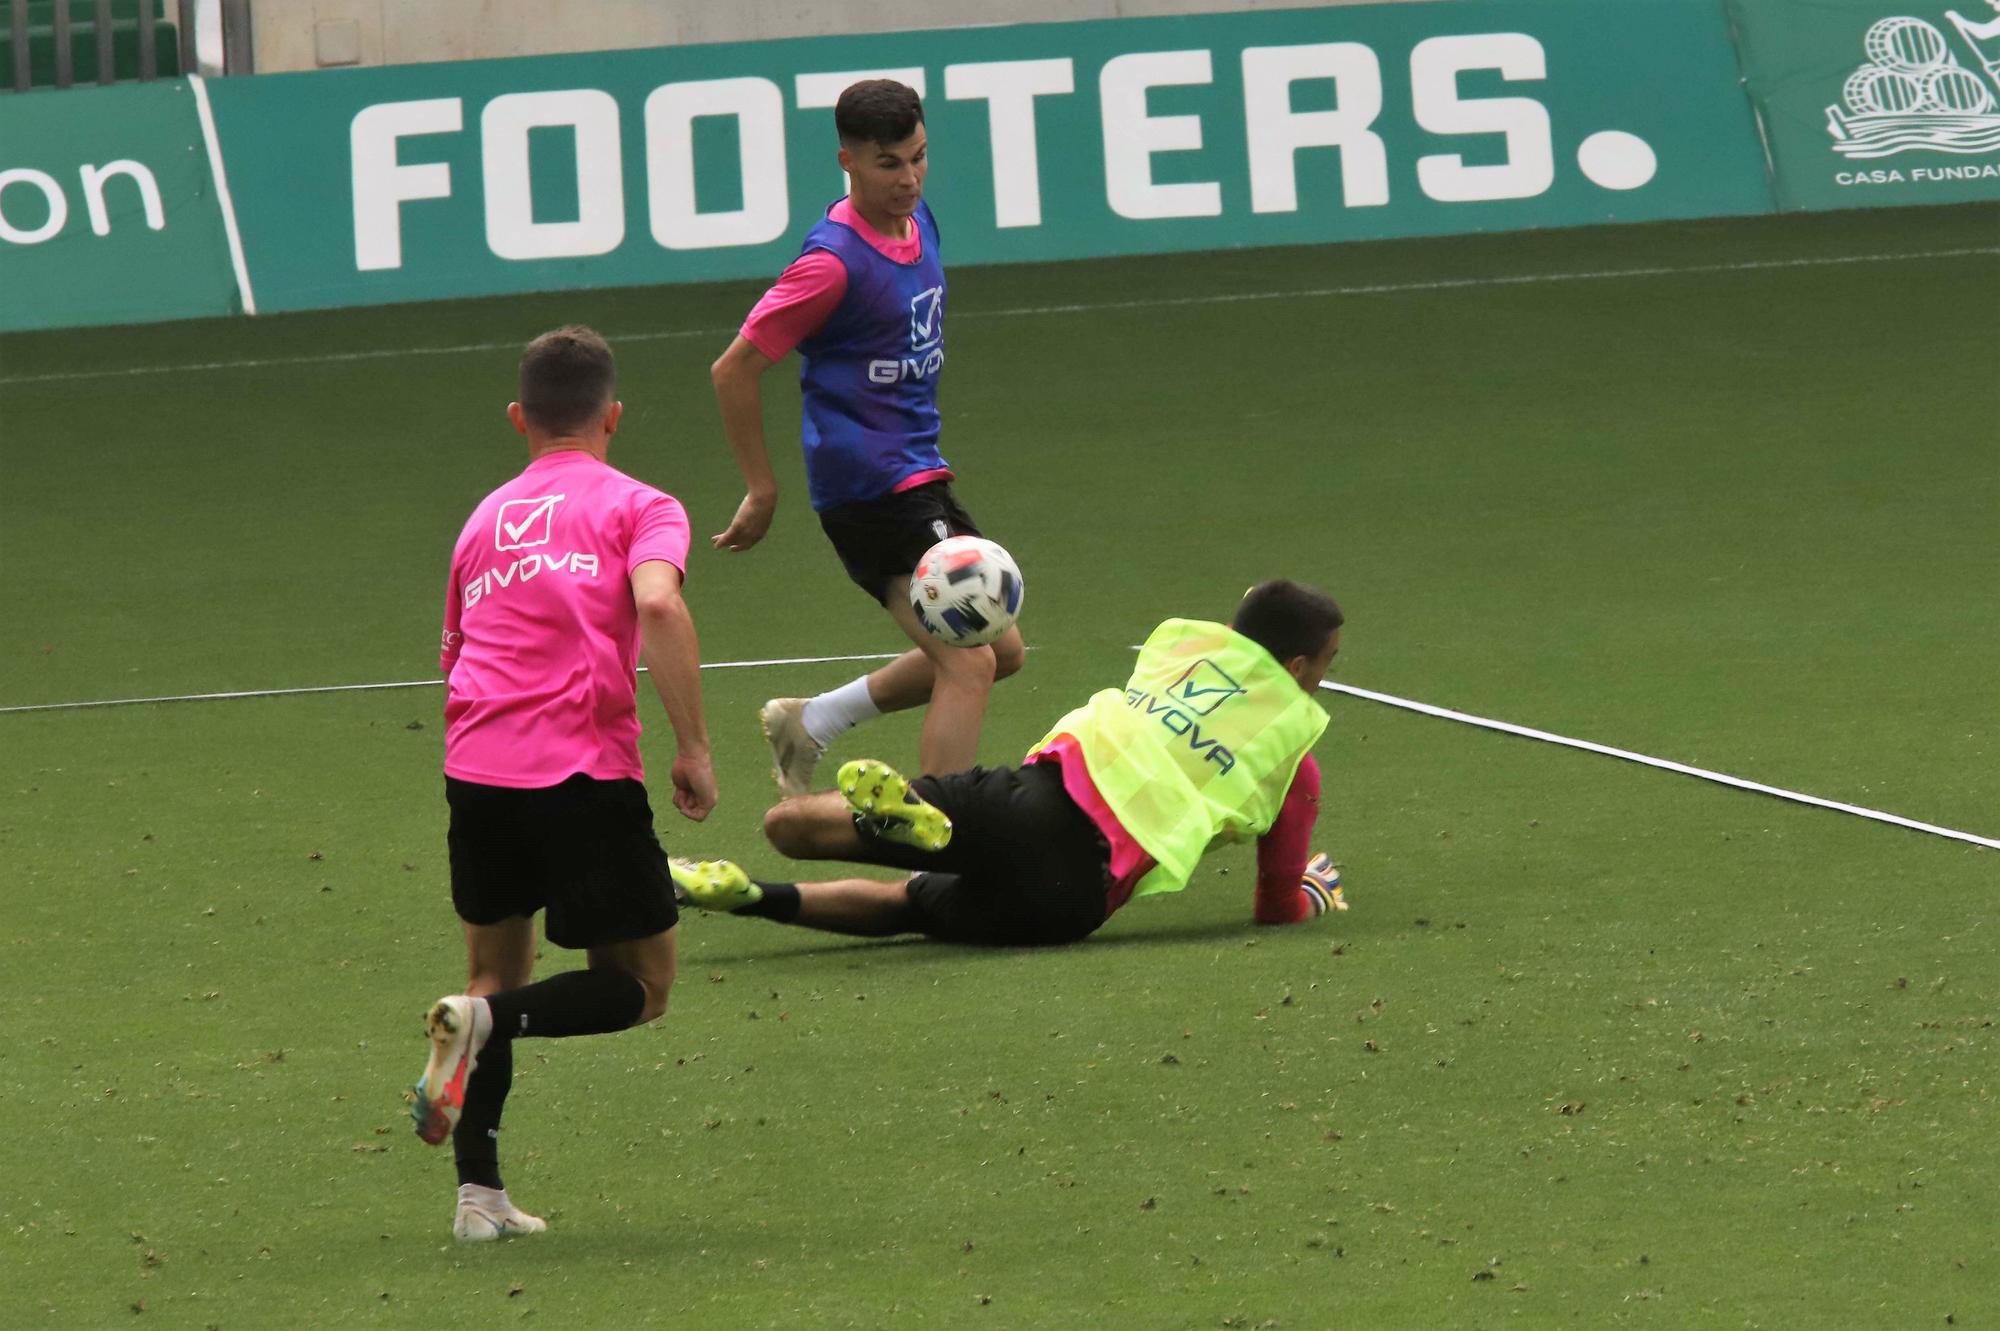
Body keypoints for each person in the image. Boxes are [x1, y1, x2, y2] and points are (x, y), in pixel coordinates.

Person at [409, 325, 714, 1241]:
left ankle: (479, 1198)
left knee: (492, 970)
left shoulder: (480, 519)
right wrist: (692, 743)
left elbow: (453, 654)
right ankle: (482, 1022)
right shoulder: (641, 505)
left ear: (520, 420)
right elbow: (657, 602)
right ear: (612, 416)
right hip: (581, 770)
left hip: (477, 773)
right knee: (640, 986)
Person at [672, 581, 1349, 946]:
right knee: (908, 909)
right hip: (1074, 896)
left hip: (1035, 798)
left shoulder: (1179, 659)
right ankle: (761, 899)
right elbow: (1275, 905)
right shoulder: (1289, 758)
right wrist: (1311, 896)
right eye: (1327, 661)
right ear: (1296, 667)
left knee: (786, 825)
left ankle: (909, 823)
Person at [708, 77, 1025, 797]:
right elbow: (735, 369)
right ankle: (937, 843)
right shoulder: (830, 265)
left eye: (919, 158)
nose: (909, 178)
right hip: (871, 486)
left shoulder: (919, 221)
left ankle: (812, 721)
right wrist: (762, 487)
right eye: (889, 164)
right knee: (969, 660)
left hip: (917, 471)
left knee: (1002, 650)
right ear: (847, 160)